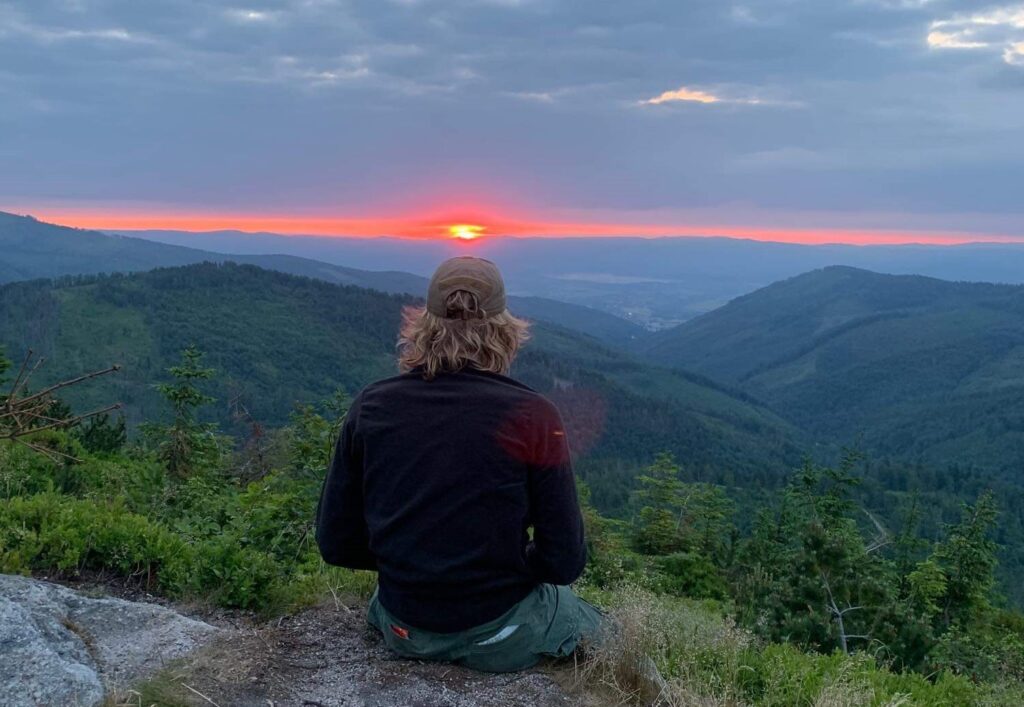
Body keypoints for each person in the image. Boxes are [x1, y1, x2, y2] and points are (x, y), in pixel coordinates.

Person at [315, 255, 602, 673]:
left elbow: (336, 543)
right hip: (497, 632)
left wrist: (412, 567)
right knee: (601, 628)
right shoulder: (533, 415)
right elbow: (564, 563)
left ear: (423, 326)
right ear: (505, 330)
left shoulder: (371, 406)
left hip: (401, 626)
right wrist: (510, 563)